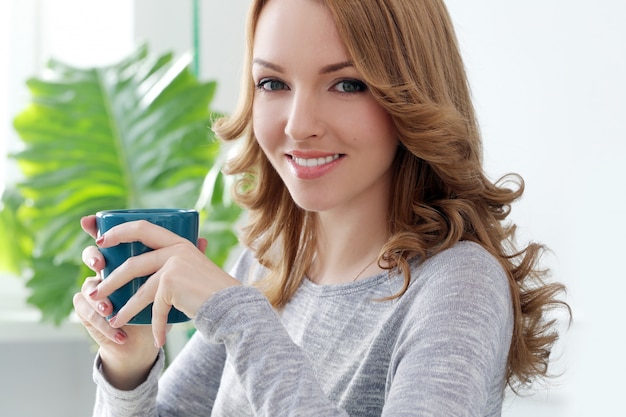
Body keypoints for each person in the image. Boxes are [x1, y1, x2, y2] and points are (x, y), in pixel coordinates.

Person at [73, 0, 570, 415]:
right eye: (273, 84)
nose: (298, 125)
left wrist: (241, 319)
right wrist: (130, 362)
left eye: (346, 84)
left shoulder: (458, 283)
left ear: (411, 94)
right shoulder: (266, 263)